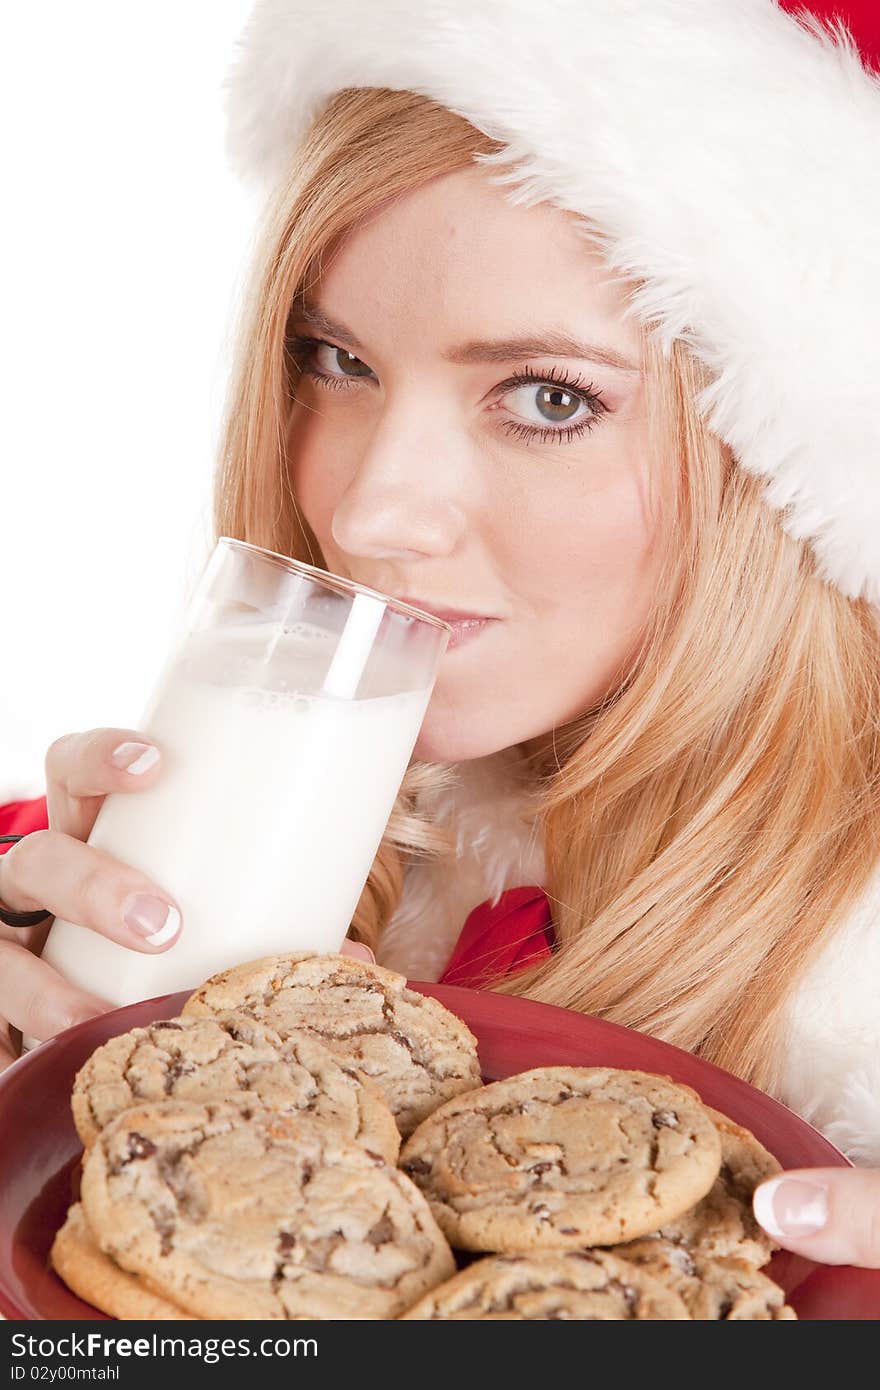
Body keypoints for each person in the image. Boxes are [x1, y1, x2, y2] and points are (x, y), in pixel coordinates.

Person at [1, 0, 879, 1273]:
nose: (368, 509)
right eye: (335, 358)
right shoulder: (296, 834)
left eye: (548, 396)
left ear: (790, 462)